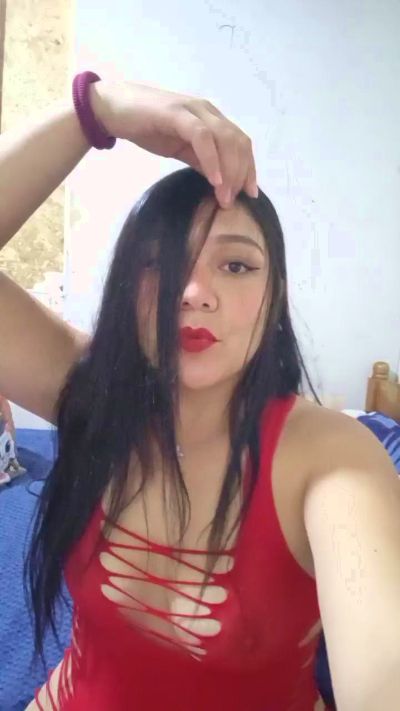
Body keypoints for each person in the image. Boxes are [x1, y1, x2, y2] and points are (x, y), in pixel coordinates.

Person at [1, 73, 399, 711]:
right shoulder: (92, 393)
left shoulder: (329, 457)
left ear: (275, 299)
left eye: (236, 265)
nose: (193, 292)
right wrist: (94, 109)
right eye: (161, 264)